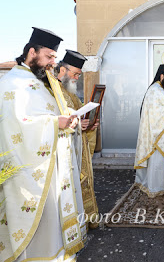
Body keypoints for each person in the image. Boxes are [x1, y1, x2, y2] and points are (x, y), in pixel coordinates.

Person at [0, 27, 85, 261]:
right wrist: (54, 122)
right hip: (29, 167)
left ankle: (55, 253)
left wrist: (67, 117)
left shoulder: (39, 82)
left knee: (51, 217)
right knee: (38, 218)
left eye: (53, 58)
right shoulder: (12, 84)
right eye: (48, 57)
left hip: (51, 162)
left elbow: (50, 112)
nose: (51, 63)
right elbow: (16, 125)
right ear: (31, 52)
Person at [54, 50, 100, 229]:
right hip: (65, 150)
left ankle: (84, 222)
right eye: (74, 74)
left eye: (78, 75)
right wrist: (77, 125)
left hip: (78, 147)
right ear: (63, 70)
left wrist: (89, 126)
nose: (76, 78)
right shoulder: (53, 91)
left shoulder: (70, 93)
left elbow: (79, 115)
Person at [134, 63, 164, 197]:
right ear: (162, 76)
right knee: (157, 162)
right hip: (157, 134)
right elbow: (155, 112)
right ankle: (155, 187)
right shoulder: (155, 90)